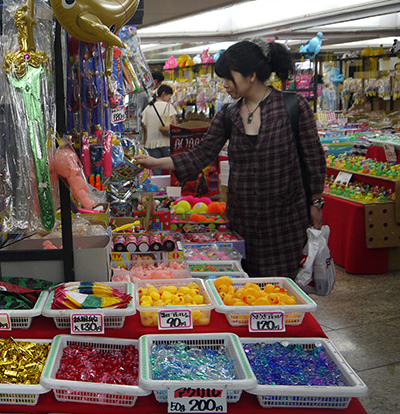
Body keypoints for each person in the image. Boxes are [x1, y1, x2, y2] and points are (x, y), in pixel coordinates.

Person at [134, 39, 326, 278]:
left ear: (251, 75)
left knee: (282, 290)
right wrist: (156, 163)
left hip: (285, 221)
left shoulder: (293, 106)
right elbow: (202, 153)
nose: (224, 84)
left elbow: (314, 158)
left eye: (228, 77)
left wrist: (316, 203)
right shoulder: (229, 113)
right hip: (243, 221)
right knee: (244, 288)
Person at [141, 84, 178, 174]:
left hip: (151, 142)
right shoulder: (168, 106)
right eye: (170, 96)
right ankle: (171, 187)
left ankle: (158, 187)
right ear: (164, 94)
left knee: (155, 167)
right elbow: (175, 124)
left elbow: (144, 125)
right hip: (166, 141)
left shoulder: (148, 108)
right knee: (171, 166)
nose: (170, 98)